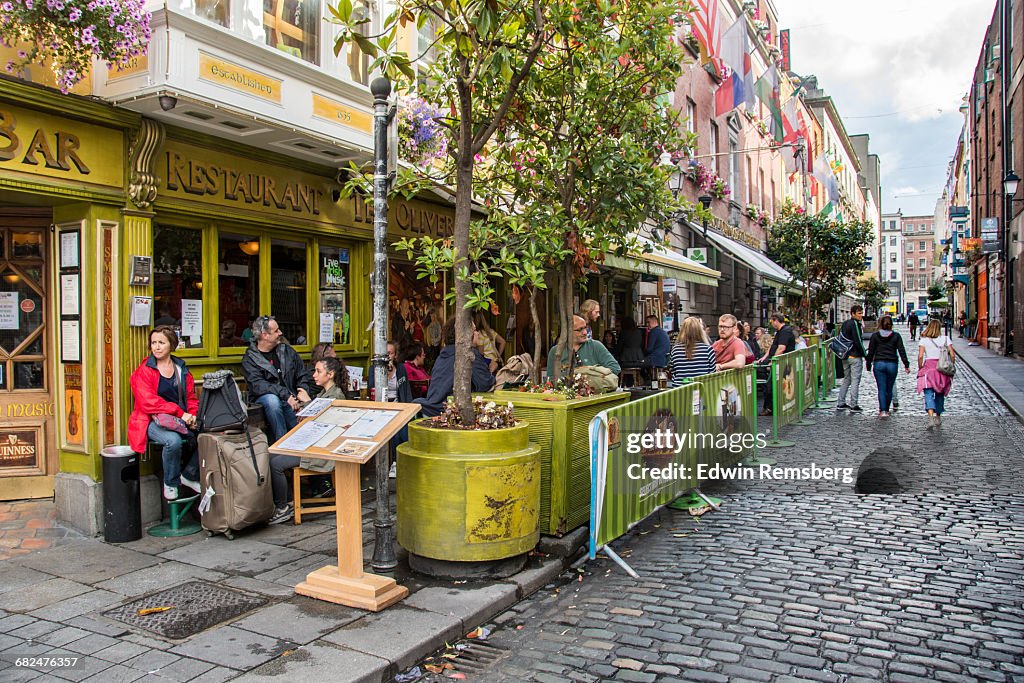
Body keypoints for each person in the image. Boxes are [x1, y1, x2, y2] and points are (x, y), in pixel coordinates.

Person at [266, 357, 347, 524]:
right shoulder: (323, 394)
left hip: (321, 449)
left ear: (330, 374)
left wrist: (308, 403)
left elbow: (327, 423)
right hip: (311, 444)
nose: (314, 375)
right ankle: (288, 501)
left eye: (318, 371)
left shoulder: (337, 395)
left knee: (276, 465)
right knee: (271, 455)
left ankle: (282, 506)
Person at [128, 326, 200, 500]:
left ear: (171, 345)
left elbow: (190, 397)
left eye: (161, 342)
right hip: (151, 421)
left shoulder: (181, 369)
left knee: (209, 435)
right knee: (172, 441)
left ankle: (189, 475)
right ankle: (171, 483)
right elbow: (148, 402)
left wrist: (193, 415)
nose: (156, 347)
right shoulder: (145, 369)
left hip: (180, 420)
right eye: (153, 343)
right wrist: (179, 413)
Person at [242, 315, 316, 443]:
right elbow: (259, 386)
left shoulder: (287, 351)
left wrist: (302, 391)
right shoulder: (250, 359)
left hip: (292, 398)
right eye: (276, 331)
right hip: (267, 400)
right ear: (265, 335)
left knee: (306, 430)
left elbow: (302, 374)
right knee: (272, 401)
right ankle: (281, 445)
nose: (280, 333)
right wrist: (286, 395)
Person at [417, 319, 495, 418]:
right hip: (448, 414)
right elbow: (485, 384)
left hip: (430, 410)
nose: (477, 333)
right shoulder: (469, 353)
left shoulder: (444, 353)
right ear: (465, 334)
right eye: (474, 330)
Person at [547, 315, 621, 379]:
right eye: (580, 330)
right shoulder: (555, 351)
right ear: (567, 331)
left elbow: (615, 368)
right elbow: (550, 378)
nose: (585, 332)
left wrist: (593, 376)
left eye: (585, 328)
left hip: (595, 394)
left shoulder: (595, 346)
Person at [865, 315, 910, 417]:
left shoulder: (875, 336)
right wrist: (906, 364)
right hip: (892, 364)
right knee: (889, 388)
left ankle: (882, 410)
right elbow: (901, 350)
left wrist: (868, 364)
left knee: (881, 388)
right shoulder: (896, 336)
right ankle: (887, 409)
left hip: (879, 363)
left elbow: (871, 352)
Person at [917, 319, 954, 428]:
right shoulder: (946, 339)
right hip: (942, 368)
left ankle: (930, 418)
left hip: (928, 369)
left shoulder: (924, 340)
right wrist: (951, 366)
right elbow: (952, 354)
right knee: (940, 393)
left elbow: (920, 356)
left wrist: (920, 367)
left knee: (928, 393)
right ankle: (938, 416)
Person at [835, 305, 867, 413]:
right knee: (855, 381)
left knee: (847, 379)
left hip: (845, 355)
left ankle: (841, 402)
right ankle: (854, 404)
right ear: (853, 314)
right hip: (854, 356)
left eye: (861, 313)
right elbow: (858, 340)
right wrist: (865, 354)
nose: (861, 315)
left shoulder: (845, 324)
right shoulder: (854, 324)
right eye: (859, 313)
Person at [668, 316, 716, 385]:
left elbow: (672, 371)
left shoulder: (675, 350)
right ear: (700, 331)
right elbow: (712, 373)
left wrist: (685, 380)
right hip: (701, 388)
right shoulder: (708, 350)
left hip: (680, 389)